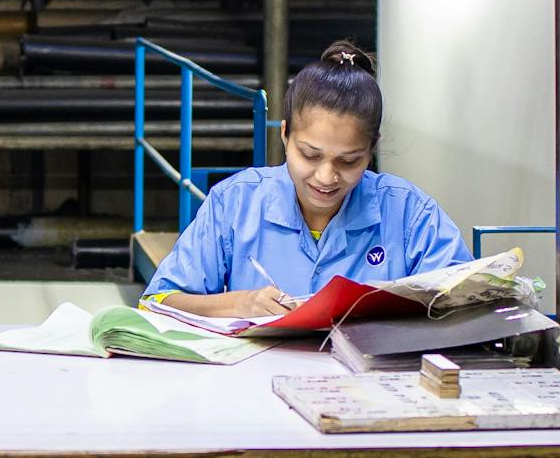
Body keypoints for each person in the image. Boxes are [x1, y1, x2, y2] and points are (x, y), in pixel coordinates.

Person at [143, 40, 466, 319]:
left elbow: (465, 302)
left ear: (372, 150)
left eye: (349, 160)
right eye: (310, 155)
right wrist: (240, 303)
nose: (326, 177)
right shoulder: (236, 203)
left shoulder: (410, 214)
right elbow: (158, 302)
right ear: (285, 135)